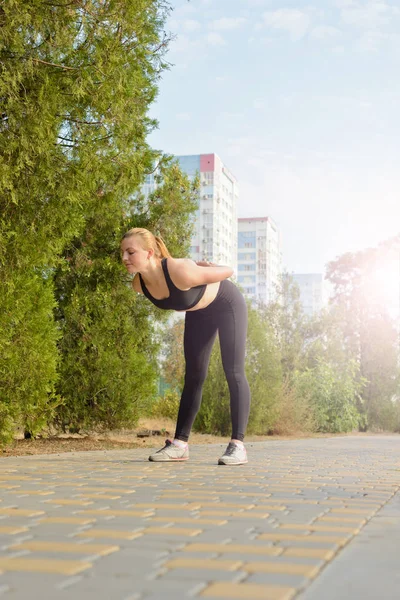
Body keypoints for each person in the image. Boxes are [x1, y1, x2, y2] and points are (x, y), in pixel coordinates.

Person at [120, 227, 251, 465]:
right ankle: (180, 444)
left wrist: (204, 269)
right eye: (122, 253)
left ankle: (237, 445)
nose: (124, 258)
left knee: (233, 371)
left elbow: (229, 271)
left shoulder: (179, 270)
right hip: (199, 311)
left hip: (227, 304)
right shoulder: (139, 284)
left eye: (130, 252)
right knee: (193, 376)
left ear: (149, 253)